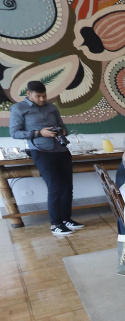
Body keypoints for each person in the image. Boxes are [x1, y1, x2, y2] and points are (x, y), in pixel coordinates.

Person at [9, 80, 83, 237]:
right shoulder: (18, 108)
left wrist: (61, 132)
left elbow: (64, 128)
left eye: (44, 96)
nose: (43, 99)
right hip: (41, 152)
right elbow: (14, 133)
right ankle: (56, 224)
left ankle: (66, 219)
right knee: (55, 187)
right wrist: (39, 133)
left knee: (67, 187)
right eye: (38, 96)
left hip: (61, 150)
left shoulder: (51, 107)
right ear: (28, 94)